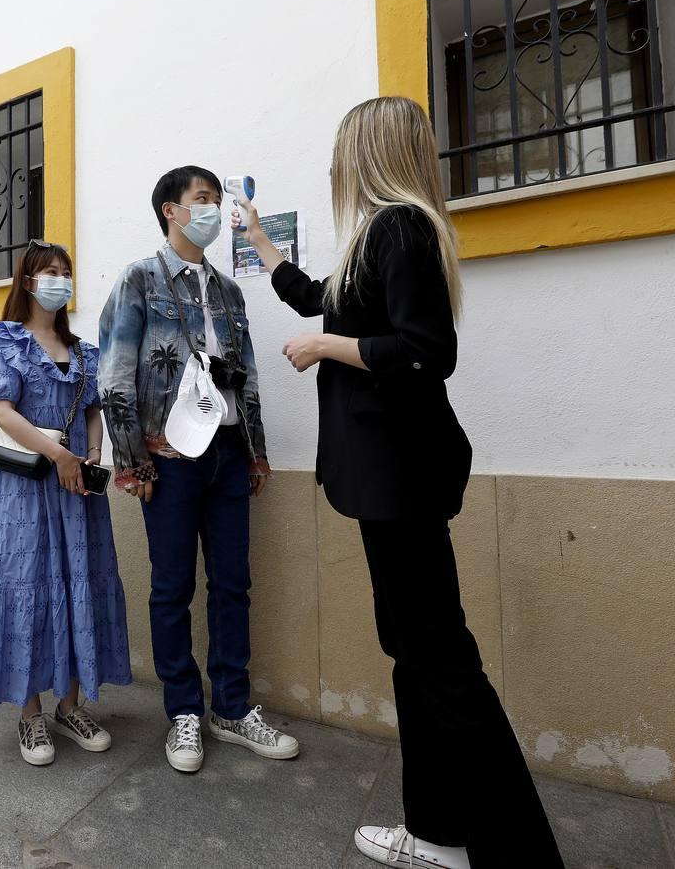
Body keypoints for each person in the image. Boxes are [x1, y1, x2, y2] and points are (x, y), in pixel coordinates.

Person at [237, 96, 563, 869]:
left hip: (401, 481)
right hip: (388, 482)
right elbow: (327, 298)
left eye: (341, 150)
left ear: (367, 153)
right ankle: (438, 835)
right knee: (417, 658)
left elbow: (425, 350)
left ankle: (515, 852)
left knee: (439, 665)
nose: (332, 165)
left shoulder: (399, 227)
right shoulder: (381, 235)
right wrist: (260, 246)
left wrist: (325, 347)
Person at [98, 167, 298, 774]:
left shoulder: (229, 290)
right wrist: (132, 459)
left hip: (229, 454)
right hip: (169, 456)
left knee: (233, 583)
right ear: (171, 210)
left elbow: (249, 374)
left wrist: (257, 450)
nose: (212, 210)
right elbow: (115, 375)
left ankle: (231, 708)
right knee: (172, 587)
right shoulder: (139, 279)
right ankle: (184, 710)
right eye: (201, 201)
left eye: (215, 200)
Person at [0, 241, 132, 766]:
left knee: (75, 581)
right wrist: (60, 456)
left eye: (66, 271)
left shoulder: (84, 349)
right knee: (28, 586)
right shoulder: (3, 341)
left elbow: (92, 410)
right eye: (49, 272)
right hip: (27, 487)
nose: (60, 280)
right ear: (27, 281)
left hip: (75, 488)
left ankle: (71, 705)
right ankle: (29, 714)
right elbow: (3, 411)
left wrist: (90, 455)